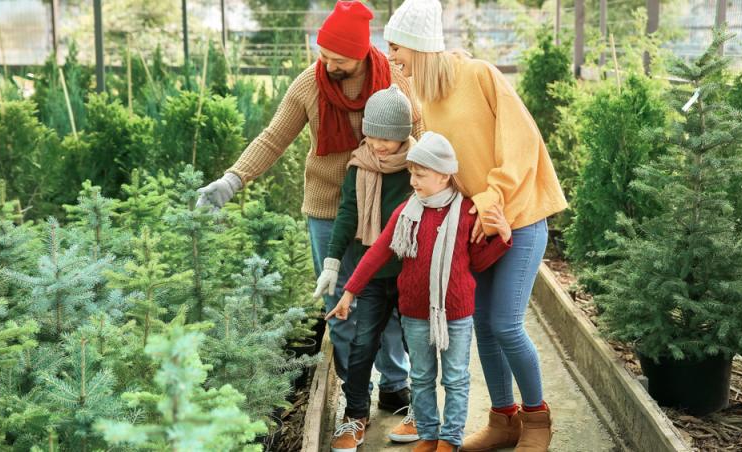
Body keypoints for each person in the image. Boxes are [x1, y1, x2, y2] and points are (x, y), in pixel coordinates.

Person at [196, 0, 423, 412]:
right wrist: (233, 179)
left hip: (386, 208)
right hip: (328, 207)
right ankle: (355, 393)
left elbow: (421, 131)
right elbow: (273, 137)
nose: (328, 63)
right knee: (338, 301)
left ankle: (395, 384)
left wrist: (429, 192)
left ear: (360, 53)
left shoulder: (392, 80)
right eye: (323, 54)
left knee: (387, 299)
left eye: (338, 58)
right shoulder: (309, 84)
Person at [382, 1, 569, 450]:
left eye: (396, 46)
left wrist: (491, 198)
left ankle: (537, 420)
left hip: (519, 218)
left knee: (505, 324)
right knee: (482, 325)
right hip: (478, 229)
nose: (391, 56)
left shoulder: (480, 75)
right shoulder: (425, 99)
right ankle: (504, 422)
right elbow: (443, 162)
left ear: (421, 46)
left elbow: (522, 145)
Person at [326, 132, 513, 452]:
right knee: (423, 379)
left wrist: (502, 236)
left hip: (455, 315)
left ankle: (450, 439)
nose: (412, 180)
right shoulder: (406, 213)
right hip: (414, 313)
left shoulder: (466, 212)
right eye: (411, 172)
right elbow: (377, 253)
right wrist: (349, 293)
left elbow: (479, 262)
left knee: (454, 379)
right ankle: (428, 434)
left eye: (420, 173)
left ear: (443, 175)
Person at [312, 84, 419, 451]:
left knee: (416, 345)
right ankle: (356, 413)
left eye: (385, 139)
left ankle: (421, 411)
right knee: (362, 344)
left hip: (410, 275)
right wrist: (332, 262)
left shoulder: (418, 168)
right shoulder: (360, 166)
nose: (376, 145)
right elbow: (346, 215)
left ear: (403, 136)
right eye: (371, 135)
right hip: (372, 275)